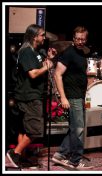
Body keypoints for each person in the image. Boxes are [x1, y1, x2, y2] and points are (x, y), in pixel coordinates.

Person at [6, 24, 56, 168]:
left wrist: (48, 58)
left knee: (24, 129)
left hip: (33, 95)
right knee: (35, 130)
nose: (44, 37)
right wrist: (48, 66)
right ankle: (13, 154)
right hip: (29, 96)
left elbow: (40, 64)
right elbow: (33, 73)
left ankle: (19, 158)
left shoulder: (37, 51)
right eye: (41, 35)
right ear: (34, 37)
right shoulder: (26, 52)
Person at [52, 26, 94, 169]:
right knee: (79, 129)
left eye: (82, 39)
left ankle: (61, 154)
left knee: (74, 128)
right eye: (77, 39)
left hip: (80, 96)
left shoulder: (82, 54)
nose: (80, 41)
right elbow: (57, 74)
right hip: (72, 96)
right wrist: (63, 97)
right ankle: (75, 161)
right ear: (73, 38)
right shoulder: (68, 53)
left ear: (86, 39)